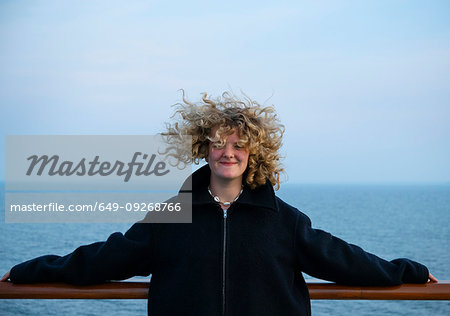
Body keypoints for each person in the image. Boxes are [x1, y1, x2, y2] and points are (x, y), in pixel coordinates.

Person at [1, 91, 438, 315]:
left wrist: (410, 273)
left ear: (254, 153)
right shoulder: (170, 217)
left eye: (238, 144)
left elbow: (345, 260)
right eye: (217, 143)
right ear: (203, 149)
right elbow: (102, 259)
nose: (228, 152)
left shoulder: (283, 221)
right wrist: (25, 272)